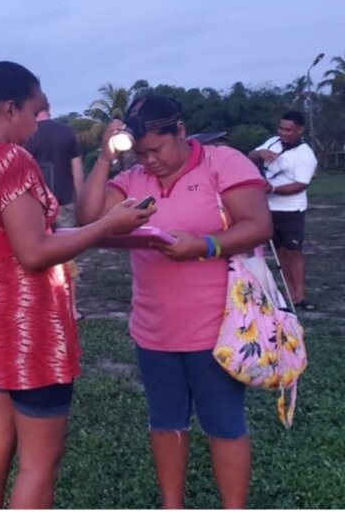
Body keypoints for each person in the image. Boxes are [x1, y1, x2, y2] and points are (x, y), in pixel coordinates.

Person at [0, 61, 156, 509]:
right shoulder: (10, 159)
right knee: (40, 461)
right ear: (9, 107)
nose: (38, 125)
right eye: (35, 112)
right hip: (31, 328)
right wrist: (110, 224)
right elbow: (33, 253)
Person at [76, 95, 272, 509]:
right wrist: (104, 159)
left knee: (224, 422)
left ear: (180, 131)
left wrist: (205, 245)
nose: (150, 161)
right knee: (165, 422)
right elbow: (88, 221)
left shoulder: (222, 163)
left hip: (218, 327)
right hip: (154, 330)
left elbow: (258, 225)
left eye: (157, 149)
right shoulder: (132, 180)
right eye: (141, 153)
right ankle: (172, 504)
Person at [247, 110, 318, 311]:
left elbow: (301, 184)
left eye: (289, 130)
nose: (283, 133)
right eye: (281, 128)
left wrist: (274, 189)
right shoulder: (272, 143)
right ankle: (288, 293)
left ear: (300, 130)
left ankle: (300, 295)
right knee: (279, 254)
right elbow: (249, 157)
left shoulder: (306, 155)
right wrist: (260, 153)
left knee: (293, 252)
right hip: (268, 208)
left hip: (292, 209)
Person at [24, 98, 86, 320]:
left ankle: (42, 306)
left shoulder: (25, 135)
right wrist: (81, 205)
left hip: (32, 207)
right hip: (64, 203)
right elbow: (77, 173)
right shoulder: (66, 132)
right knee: (66, 255)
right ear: (49, 108)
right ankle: (71, 308)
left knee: (36, 255)